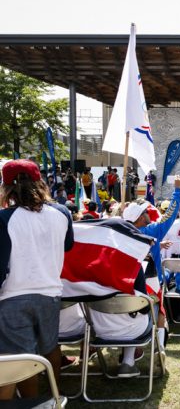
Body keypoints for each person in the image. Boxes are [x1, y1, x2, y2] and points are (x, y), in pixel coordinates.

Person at [0, 159, 74, 400]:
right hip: (50, 291)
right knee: (50, 345)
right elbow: (68, 245)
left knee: (20, 354)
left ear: (7, 187)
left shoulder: (4, 218)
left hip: (13, 294)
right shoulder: (62, 212)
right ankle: (55, 393)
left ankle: (31, 403)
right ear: (39, 182)